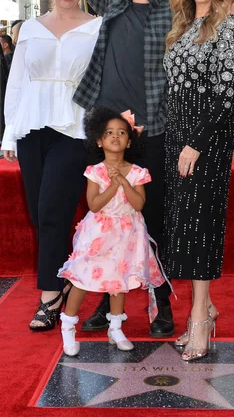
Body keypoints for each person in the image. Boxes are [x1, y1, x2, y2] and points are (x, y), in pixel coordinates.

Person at [34, 0, 176, 338]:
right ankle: (102, 302)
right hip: (102, 136)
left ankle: (162, 307)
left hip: (148, 135)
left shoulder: (171, 15)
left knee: (151, 225)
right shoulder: (113, 3)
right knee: (101, 223)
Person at [2, 0, 102, 331]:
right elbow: (17, 82)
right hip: (31, 127)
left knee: (52, 210)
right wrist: (10, 134)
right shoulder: (29, 27)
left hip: (74, 130)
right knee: (38, 212)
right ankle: (58, 283)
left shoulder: (96, 26)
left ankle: (49, 296)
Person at [163, 0, 234, 361]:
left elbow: (228, 90)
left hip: (207, 138)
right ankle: (205, 307)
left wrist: (196, 143)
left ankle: (199, 317)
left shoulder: (231, 23)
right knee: (183, 226)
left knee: (201, 225)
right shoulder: (182, 22)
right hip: (177, 134)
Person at [57, 107, 166, 356]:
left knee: (120, 280)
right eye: (109, 133)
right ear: (99, 140)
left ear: (129, 141)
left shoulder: (138, 172)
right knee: (82, 279)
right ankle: (68, 326)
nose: (115, 136)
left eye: (121, 132)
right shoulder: (94, 171)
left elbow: (138, 204)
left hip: (127, 234)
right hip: (99, 233)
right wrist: (112, 185)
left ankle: (116, 327)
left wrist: (124, 182)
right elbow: (94, 205)